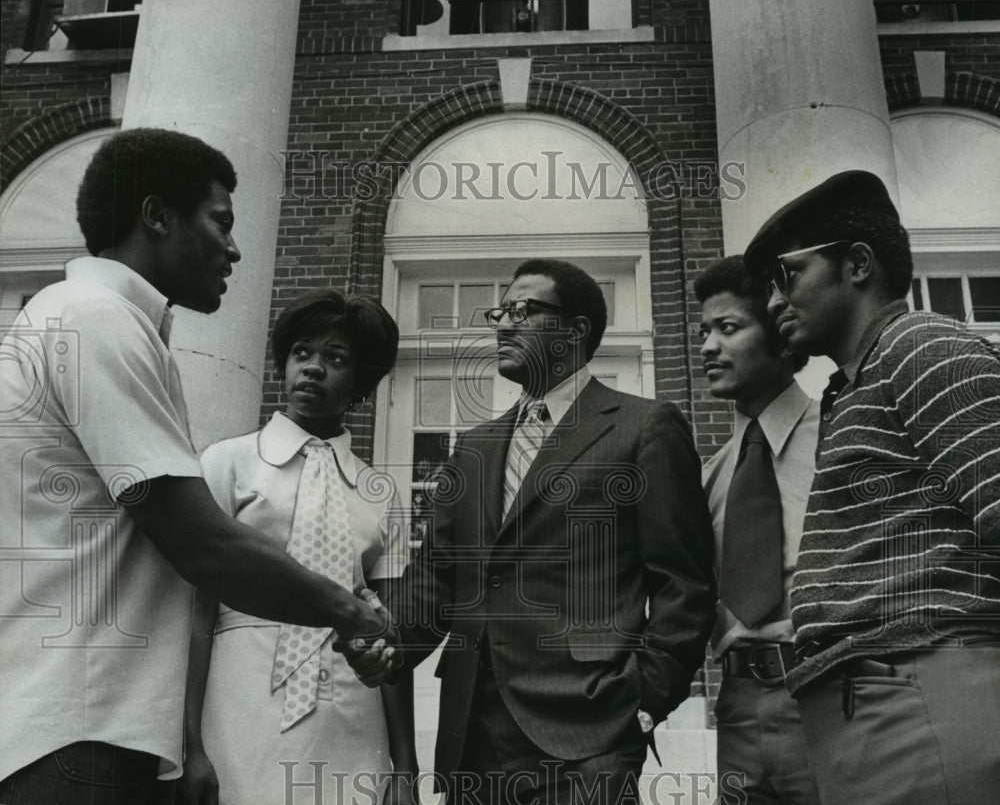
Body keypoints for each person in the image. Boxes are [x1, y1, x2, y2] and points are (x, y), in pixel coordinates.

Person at [0, 128, 393, 805]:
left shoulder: (78, 319)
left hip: (89, 723)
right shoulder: (97, 321)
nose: (235, 248)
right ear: (156, 216)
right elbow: (204, 547)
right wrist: (353, 615)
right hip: (81, 729)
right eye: (222, 223)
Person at [361, 258, 716, 804]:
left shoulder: (644, 427)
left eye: (523, 311)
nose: (502, 324)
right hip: (471, 737)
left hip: (588, 738)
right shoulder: (475, 446)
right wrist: (384, 639)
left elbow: (683, 585)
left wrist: (642, 702)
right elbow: (436, 577)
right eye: (501, 311)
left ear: (575, 330)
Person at [743, 170, 1000, 805]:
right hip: (866, 714)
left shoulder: (922, 344)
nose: (771, 302)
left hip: (928, 694)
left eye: (785, 275)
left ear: (857, 264)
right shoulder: (854, 384)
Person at [179, 289, 416, 805]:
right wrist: (188, 744)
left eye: (335, 359)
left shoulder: (379, 493)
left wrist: (406, 766)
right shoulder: (228, 463)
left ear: (361, 381)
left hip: (350, 711)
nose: (312, 368)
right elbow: (194, 613)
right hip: (242, 691)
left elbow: (392, 640)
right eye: (301, 353)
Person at [695, 257, 820, 805]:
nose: (707, 347)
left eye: (728, 328)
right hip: (738, 704)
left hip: (829, 694)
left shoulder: (844, 436)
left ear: (780, 332)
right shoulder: (712, 475)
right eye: (704, 332)